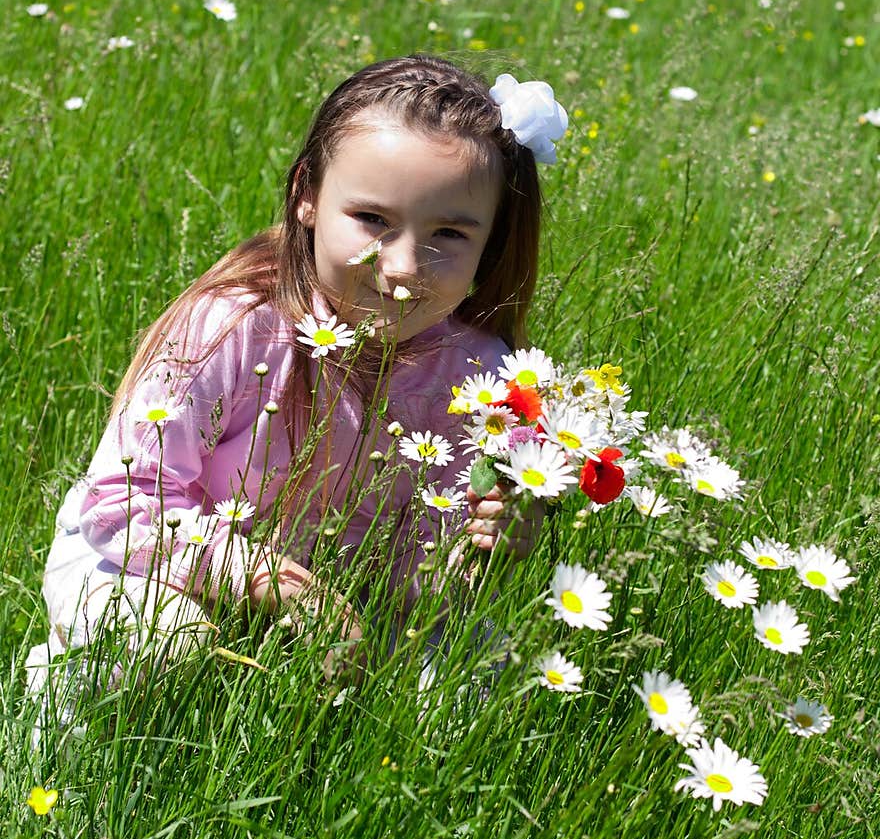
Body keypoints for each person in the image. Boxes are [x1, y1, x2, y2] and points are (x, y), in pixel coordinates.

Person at [25, 53, 569, 738]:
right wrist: (261, 578)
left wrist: (488, 556)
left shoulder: (485, 379)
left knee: (471, 696)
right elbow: (123, 501)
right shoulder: (238, 327)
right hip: (158, 563)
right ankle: (56, 728)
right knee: (161, 648)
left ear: (491, 243)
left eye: (449, 235)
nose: (401, 266)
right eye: (372, 219)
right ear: (307, 195)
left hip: (339, 598)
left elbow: (428, 580)